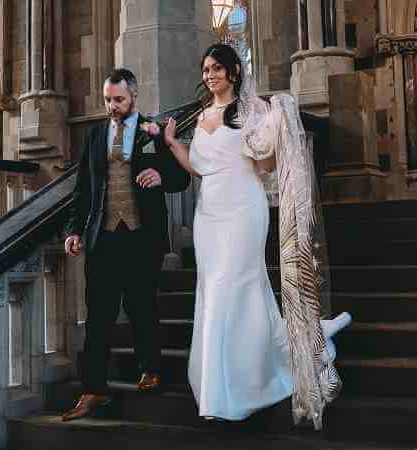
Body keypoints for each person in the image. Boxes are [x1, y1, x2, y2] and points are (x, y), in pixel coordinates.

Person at [161, 43, 347, 429]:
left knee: (234, 287)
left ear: (232, 72)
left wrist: (276, 127)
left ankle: (247, 383)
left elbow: (266, 166)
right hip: (208, 214)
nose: (209, 75)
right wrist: (173, 144)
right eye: (206, 69)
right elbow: (199, 168)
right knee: (213, 293)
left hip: (244, 208)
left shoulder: (252, 111)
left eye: (216, 68)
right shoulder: (202, 115)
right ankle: (221, 385)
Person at [61, 68, 191, 422]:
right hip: (102, 237)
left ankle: (151, 368)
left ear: (134, 96)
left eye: (118, 99)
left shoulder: (154, 131)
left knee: (142, 308)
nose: (112, 106)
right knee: (99, 317)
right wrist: (74, 230)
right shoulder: (95, 135)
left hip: (141, 236)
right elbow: (83, 189)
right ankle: (92, 391)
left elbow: (181, 177)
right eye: (107, 100)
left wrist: (161, 175)